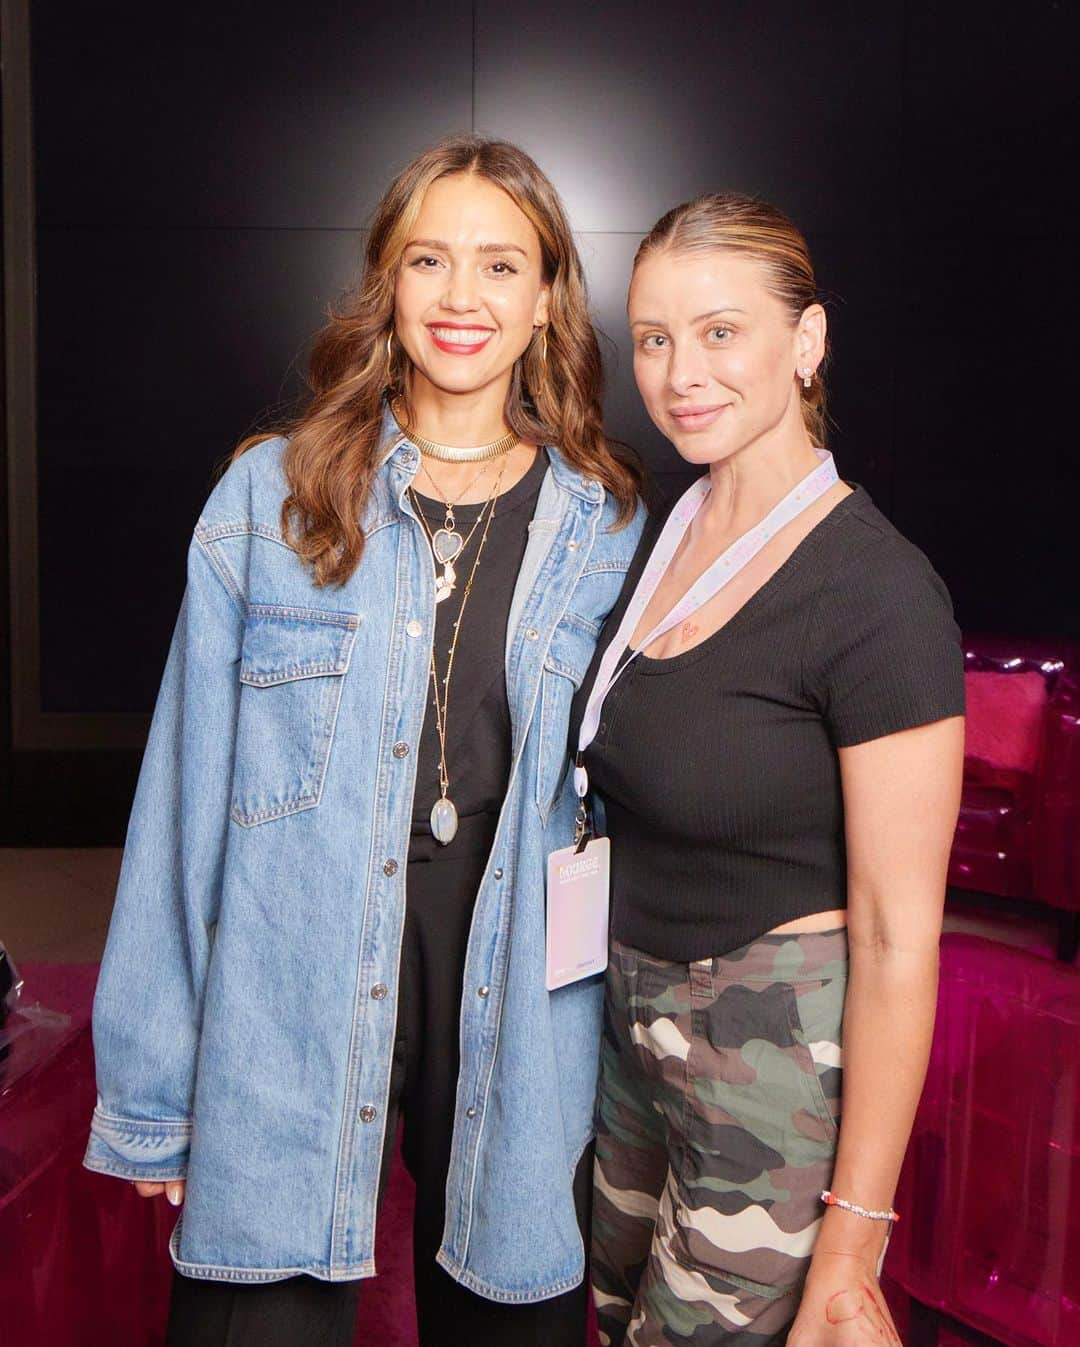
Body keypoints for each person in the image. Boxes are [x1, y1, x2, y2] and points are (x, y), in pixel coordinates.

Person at [83, 135, 645, 1347]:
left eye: (501, 265)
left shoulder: (606, 523)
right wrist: (151, 1094)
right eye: (429, 259)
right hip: (289, 988)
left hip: (516, 998)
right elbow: (181, 808)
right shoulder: (271, 497)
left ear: (547, 294)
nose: (461, 297)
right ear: (385, 282)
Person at [573, 194, 965, 1346]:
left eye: (720, 331)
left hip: (772, 1059)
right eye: (653, 338)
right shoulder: (664, 529)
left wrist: (854, 1240)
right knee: (614, 1321)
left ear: (807, 342)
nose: (680, 372)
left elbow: (900, 938)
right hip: (625, 1024)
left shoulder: (877, 596)